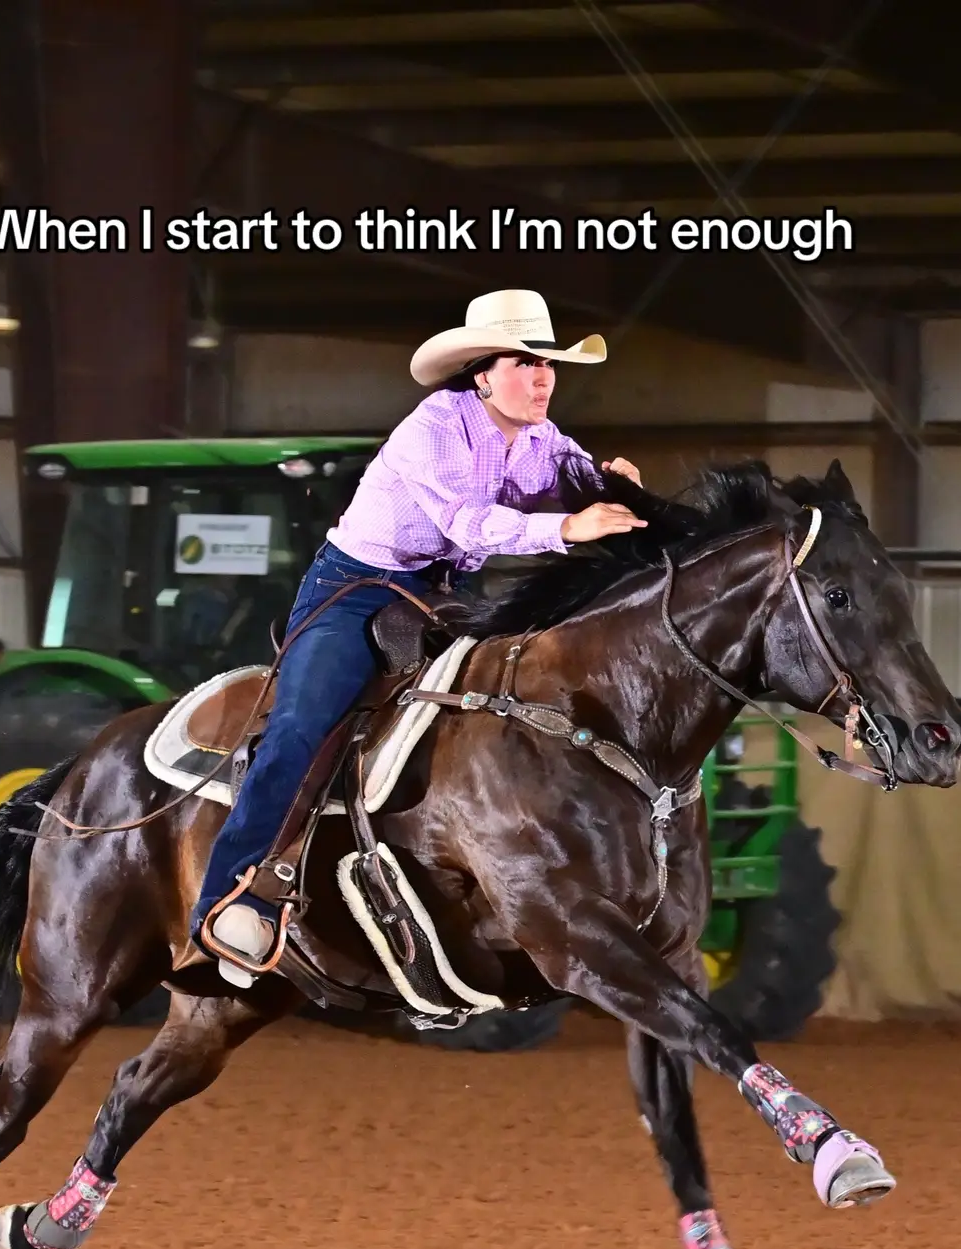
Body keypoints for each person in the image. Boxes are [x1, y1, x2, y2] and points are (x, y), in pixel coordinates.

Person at [190, 287, 649, 985]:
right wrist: (567, 527)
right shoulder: (432, 429)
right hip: (354, 589)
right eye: (524, 362)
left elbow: (577, 477)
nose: (543, 377)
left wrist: (609, 485)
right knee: (300, 726)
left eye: (547, 364)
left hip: (442, 596)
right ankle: (232, 896)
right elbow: (468, 526)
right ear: (481, 374)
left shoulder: (541, 439)